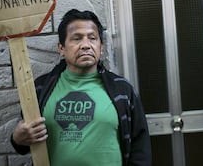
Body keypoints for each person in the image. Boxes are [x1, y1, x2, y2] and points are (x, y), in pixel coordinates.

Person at [11, 9, 151, 166]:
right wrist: (17, 138)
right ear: (61, 49)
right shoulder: (40, 89)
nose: (86, 45)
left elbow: (140, 147)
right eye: (76, 39)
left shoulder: (122, 90)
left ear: (101, 47)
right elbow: (24, 143)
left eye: (92, 38)